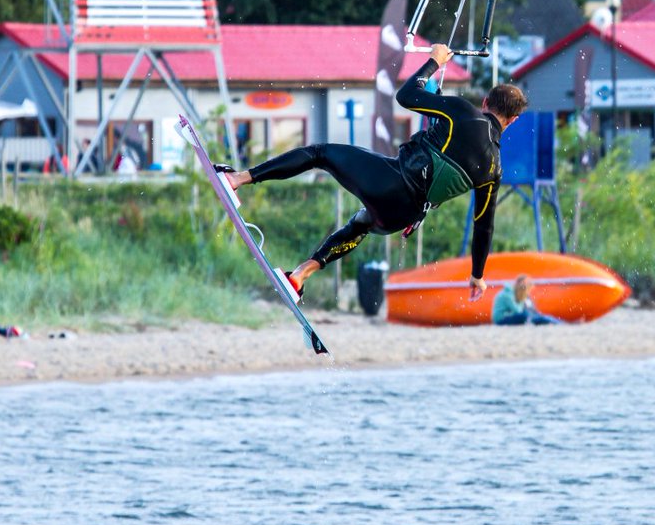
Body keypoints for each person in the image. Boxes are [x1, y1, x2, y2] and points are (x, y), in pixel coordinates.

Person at [221, 43, 527, 301]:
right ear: (513, 120)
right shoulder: (494, 170)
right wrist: (477, 275)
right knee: (361, 225)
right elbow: (483, 228)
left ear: (485, 102)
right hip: (402, 216)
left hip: (389, 181)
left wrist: (434, 62)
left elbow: (406, 96)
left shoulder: (464, 112)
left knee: (320, 154)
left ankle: (237, 179)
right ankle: (300, 275)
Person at [492, 275, 563, 325]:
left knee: (540, 316)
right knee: (526, 315)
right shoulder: (507, 295)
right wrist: (522, 299)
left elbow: (531, 309)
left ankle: (558, 322)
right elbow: (518, 310)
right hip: (501, 319)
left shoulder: (512, 294)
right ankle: (552, 322)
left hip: (508, 316)